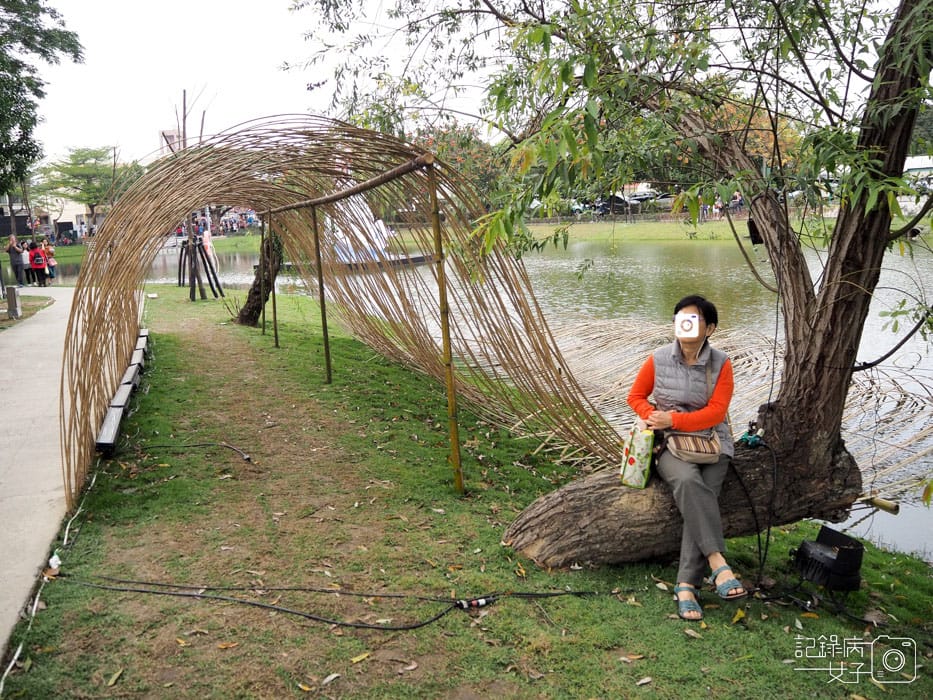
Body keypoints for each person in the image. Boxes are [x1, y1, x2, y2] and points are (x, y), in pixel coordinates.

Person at [627, 294, 747, 621]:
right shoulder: (658, 358)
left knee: (701, 496)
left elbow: (716, 413)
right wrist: (654, 416)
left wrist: (674, 419)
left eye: (693, 319)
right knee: (688, 482)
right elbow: (635, 396)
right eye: (681, 318)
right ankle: (717, 563)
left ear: (710, 328)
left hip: (712, 443)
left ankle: (685, 585)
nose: (685, 324)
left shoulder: (722, 363)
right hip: (670, 444)